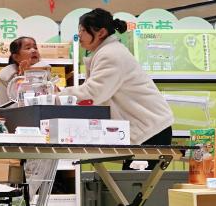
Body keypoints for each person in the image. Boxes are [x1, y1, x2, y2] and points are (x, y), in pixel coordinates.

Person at [58, 9, 174, 150]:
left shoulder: (111, 54)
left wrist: (60, 96)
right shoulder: (108, 51)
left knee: (139, 165)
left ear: (101, 33)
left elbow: (94, 93)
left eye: (83, 30)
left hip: (150, 130)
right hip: (146, 126)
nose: (79, 35)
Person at [0, 36, 43, 108]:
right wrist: (23, 76)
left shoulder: (45, 72)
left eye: (35, 48)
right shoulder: (7, 77)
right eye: (28, 48)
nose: (34, 50)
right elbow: (3, 105)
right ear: (16, 57)